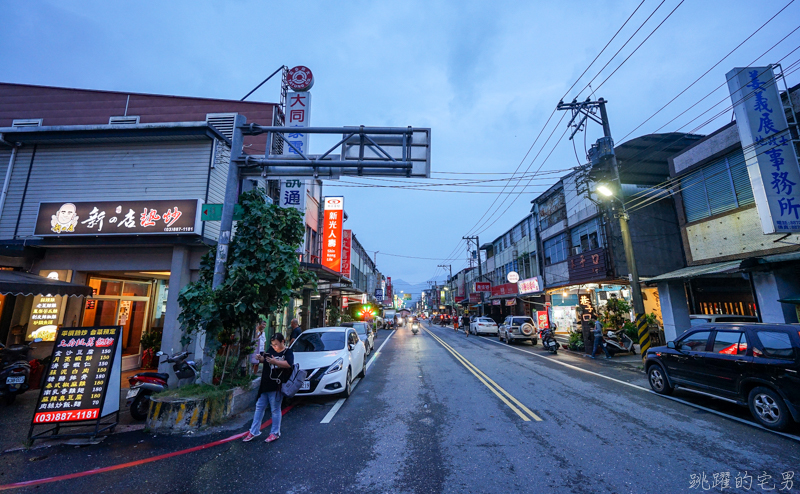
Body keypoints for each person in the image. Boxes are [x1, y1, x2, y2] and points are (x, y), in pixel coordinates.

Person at [243, 333, 294, 443]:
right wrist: (261, 359)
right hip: (265, 383)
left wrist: (275, 361)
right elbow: (266, 360)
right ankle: (253, 431)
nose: (274, 346)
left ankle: (275, 433)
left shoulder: (288, 352)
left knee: (275, 409)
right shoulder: (270, 349)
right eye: (273, 344)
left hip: (277, 384)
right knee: (259, 407)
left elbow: (289, 364)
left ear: (282, 342)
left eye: (276, 344)